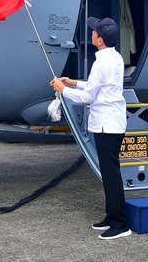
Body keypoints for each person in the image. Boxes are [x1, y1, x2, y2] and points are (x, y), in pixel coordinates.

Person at [50, 17, 131, 240]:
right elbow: (98, 86)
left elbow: (87, 97)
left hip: (106, 124)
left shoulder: (101, 62)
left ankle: (120, 224)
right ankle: (111, 215)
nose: (92, 33)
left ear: (100, 39)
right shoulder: (114, 57)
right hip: (113, 122)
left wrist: (61, 89)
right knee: (108, 172)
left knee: (111, 174)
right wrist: (72, 82)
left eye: (94, 31)